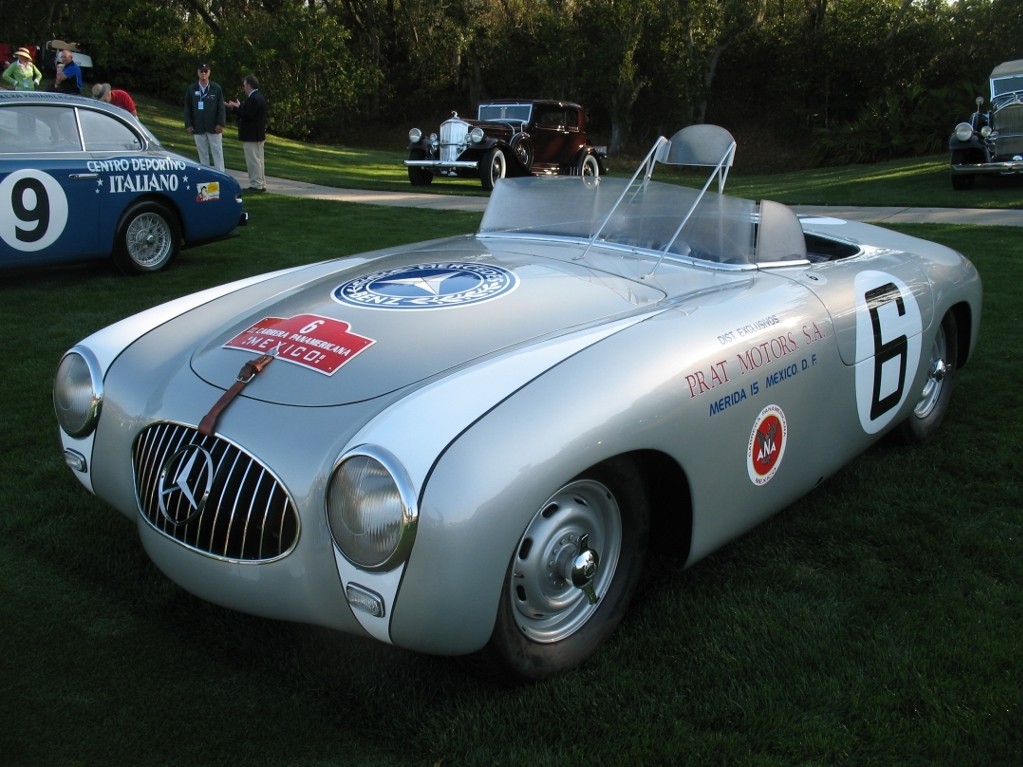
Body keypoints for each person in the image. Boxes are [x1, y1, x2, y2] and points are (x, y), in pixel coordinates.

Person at [227, 74, 268, 193]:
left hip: (252, 135)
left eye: (244, 85)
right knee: (259, 160)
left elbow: (247, 115)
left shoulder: (254, 98)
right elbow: (249, 111)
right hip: (257, 134)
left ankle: (256, 185)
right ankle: (261, 183)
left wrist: (234, 108)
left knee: (253, 161)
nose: (244, 87)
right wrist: (240, 106)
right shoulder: (257, 97)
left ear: (249, 85)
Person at [183, 62, 226, 171]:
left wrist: (220, 124)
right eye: (201, 71)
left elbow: (221, 107)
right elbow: (187, 108)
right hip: (198, 126)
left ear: (209, 73)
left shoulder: (216, 88)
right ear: (197, 72)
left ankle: (221, 176)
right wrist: (188, 124)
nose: (203, 73)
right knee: (202, 154)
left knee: (217, 152)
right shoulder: (192, 88)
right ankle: (206, 178)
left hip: (214, 127)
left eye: (205, 71)